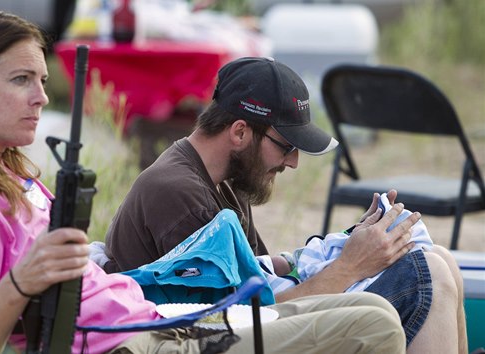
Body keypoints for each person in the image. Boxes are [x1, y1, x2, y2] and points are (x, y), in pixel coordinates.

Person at [0, 1, 410, 353]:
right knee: (376, 323)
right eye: (21, 80)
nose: (43, 98)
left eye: (43, 79)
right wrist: (23, 281)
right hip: (141, 343)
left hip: (153, 322)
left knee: (370, 305)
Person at [94, 58, 466, 353]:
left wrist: (347, 243)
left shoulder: (226, 178)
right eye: (286, 145)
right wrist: (352, 265)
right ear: (239, 132)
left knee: (440, 259)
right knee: (426, 272)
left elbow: (266, 279)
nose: (293, 162)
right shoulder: (180, 195)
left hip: (234, 329)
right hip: (207, 339)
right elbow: (244, 320)